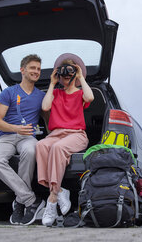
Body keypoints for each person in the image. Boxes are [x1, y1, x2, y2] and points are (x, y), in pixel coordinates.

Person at [36, 53, 94, 226]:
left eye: (70, 73)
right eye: (63, 74)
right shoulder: (56, 93)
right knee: (40, 146)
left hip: (76, 135)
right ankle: (61, 191)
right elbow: (45, 106)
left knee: (57, 148)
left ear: (75, 75)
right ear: (59, 76)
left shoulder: (80, 94)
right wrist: (52, 83)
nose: (66, 76)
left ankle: (52, 199)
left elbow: (90, 97)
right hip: (56, 134)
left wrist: (80, 77)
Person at [0, 54, 46, 225]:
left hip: (28, 138)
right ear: (23, 70)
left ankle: (20, 203)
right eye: (33, 68)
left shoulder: (40, 96)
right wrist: (16, 128)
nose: (36, 71)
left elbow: (50, 119)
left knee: (30, 150)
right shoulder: (9, 92)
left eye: (38, 69)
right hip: (6, 136)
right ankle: (29, 200)